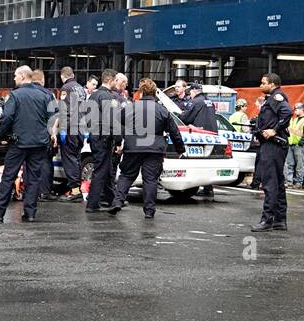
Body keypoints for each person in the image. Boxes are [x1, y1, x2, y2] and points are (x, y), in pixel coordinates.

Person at [0, 65, 53, 223]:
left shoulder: (15, 95)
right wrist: (47, 136)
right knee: (33, 178)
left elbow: (7, 117)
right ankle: (30, 213)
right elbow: (52, 118)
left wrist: (2, 135)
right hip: (39, 143)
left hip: (19, 142)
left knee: (8, 176)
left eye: (15, 76)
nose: (14, 79)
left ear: (22, 76)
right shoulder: (45, 95)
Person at [108, 78, 185, 219]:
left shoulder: (130, 107)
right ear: (155, 93)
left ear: (141, 92)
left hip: (133, 146)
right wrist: (180, 149)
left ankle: (117, 202)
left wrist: (119, 142)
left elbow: (116, 123)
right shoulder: (162, 110)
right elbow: (174, 131)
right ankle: (149, 211)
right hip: (154, 149)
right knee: (150, 180)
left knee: (127, 175)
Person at [252, 73, 292, 231]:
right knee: (278, 184)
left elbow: (287, 113)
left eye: (263, 83)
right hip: (270, 145)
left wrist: (274, 130)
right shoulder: (272, 98)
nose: (260, 86)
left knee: (270, 183)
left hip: (273, 146)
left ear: (273, 84)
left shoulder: (277, 98)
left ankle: (267, 220)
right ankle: (279, 220)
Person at [84, 69, 122, 214]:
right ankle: (92, 204)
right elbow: (113, 121)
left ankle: (113, 199)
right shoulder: (107, 97)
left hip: (95, 136)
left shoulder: (93, 96)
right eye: (116, 80)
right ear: (111, 80)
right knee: (101, 171)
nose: (116, 83)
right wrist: (118, 141)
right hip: (104, 138)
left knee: (105, 170)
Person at [181, 83, 220, 200]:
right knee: (208, 162)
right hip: (212, 135)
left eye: (190, 92)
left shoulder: (195, 102)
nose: (189, 95)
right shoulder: (209, 101)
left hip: (199, 135)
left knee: (197, 162)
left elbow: (186, 118)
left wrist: (180, 115)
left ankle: (197, 186)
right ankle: (208, 188)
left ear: (194, 91)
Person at [57, 65, 88, 202]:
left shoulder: (66, 88)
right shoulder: (81, 88)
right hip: (81, 126)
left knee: (69, 159)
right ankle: (75, 188)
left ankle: (75, 191)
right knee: (76, 158)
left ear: (62, 76)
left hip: (70, 127)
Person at [285, 103, 304, 188]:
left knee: (299, 165)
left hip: (300, 146)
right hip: (291, 145)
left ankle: (299, 182)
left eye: (296, 109)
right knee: (289, 164)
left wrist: (300, 143)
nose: (295, 111)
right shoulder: (294, 120)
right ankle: (289, 181)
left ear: (302, 109)